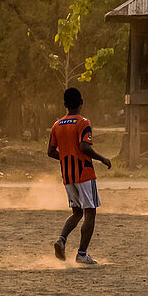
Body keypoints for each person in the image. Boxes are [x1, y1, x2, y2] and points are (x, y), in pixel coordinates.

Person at [48, 87, 111, 265]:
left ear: (64, 104)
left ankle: (61, 239)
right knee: (90, 213)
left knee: (76, 212)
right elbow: (84, 147)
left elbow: (50, 151)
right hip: (84, 173)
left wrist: (67, 156)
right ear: (81, 103)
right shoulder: (83, 122)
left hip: (67, 176)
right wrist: (102, 159)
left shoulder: (56, 124)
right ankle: (82, 254)